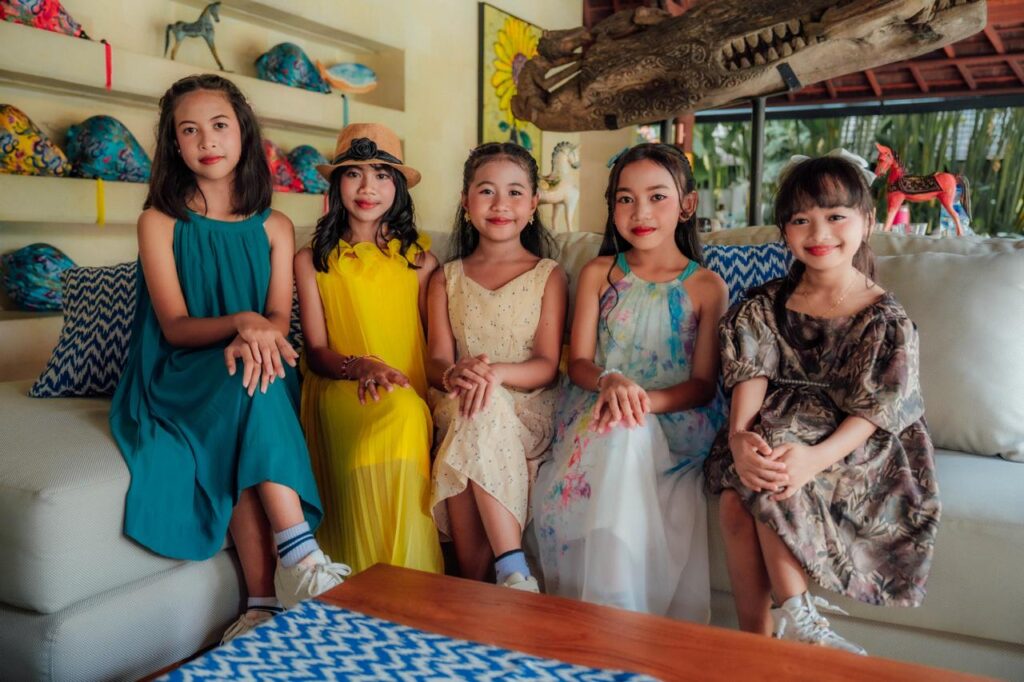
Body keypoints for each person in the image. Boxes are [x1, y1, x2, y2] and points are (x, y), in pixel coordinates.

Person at [110, 74, 347, 644]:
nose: (206, 140)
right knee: (250, 380)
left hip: (255, 364)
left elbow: (276, 316)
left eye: (218, 125)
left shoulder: (277, 227)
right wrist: (241, 323)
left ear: (243, 133)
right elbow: (175, 326)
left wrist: (253, 333)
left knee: (252, 378)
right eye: (188, 131)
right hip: (180, 371)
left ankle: (261, 606)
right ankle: (302, 557)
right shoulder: (158, 221)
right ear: (174, 145)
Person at [704, 155, 941, 655]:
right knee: (733, 498)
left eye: (835, 216)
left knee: (775, 473)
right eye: (801, 219)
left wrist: (813, 459)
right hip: (772, 426)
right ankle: (757, 649)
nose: (819, 232)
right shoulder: (765, 304)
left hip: (851, 440)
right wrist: (739, 437)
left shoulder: (883, 317)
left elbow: (876, 409)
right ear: (784, 230)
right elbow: (751, 374)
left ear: (867, 222)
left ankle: (800, 619)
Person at [533, 143, 727, 620]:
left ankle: (615, 614)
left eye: (657, 197)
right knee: (621, 431)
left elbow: (704, 384)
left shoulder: (707, 286)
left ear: (687, 204)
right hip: (599, 405)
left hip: (675, 418)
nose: (641, 211)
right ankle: (609, 611)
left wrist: (640, 401)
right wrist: (611, 382)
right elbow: (579, 361)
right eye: (626, 198)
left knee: (627, 426)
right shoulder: (598, 273)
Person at [294, 123, 443, 575]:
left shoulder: (421, 262)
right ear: (337, 184)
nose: (367, 188)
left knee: (405, 410)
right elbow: (316, 351)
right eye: (353, 174)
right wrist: (360, 365)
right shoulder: (312, 261)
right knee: (399, 413)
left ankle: (406, 584)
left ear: (398, 187)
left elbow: (434, 349)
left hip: (406, 389)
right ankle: (365, 577)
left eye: (381, 175)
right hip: (340, 386)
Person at [426, 142, 567, 592]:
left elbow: (546, 365)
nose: (500, 204)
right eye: (486, 191)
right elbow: (436, 360)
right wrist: (454, 374)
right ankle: (508, 576)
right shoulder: (445, 278)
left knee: (483, 407)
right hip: (458, 402)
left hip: (526, 408)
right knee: (473, 407)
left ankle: (497, 573)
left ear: (533, 204)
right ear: (466, 202)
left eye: (514, 192)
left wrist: (497, 374)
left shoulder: (548, 275)